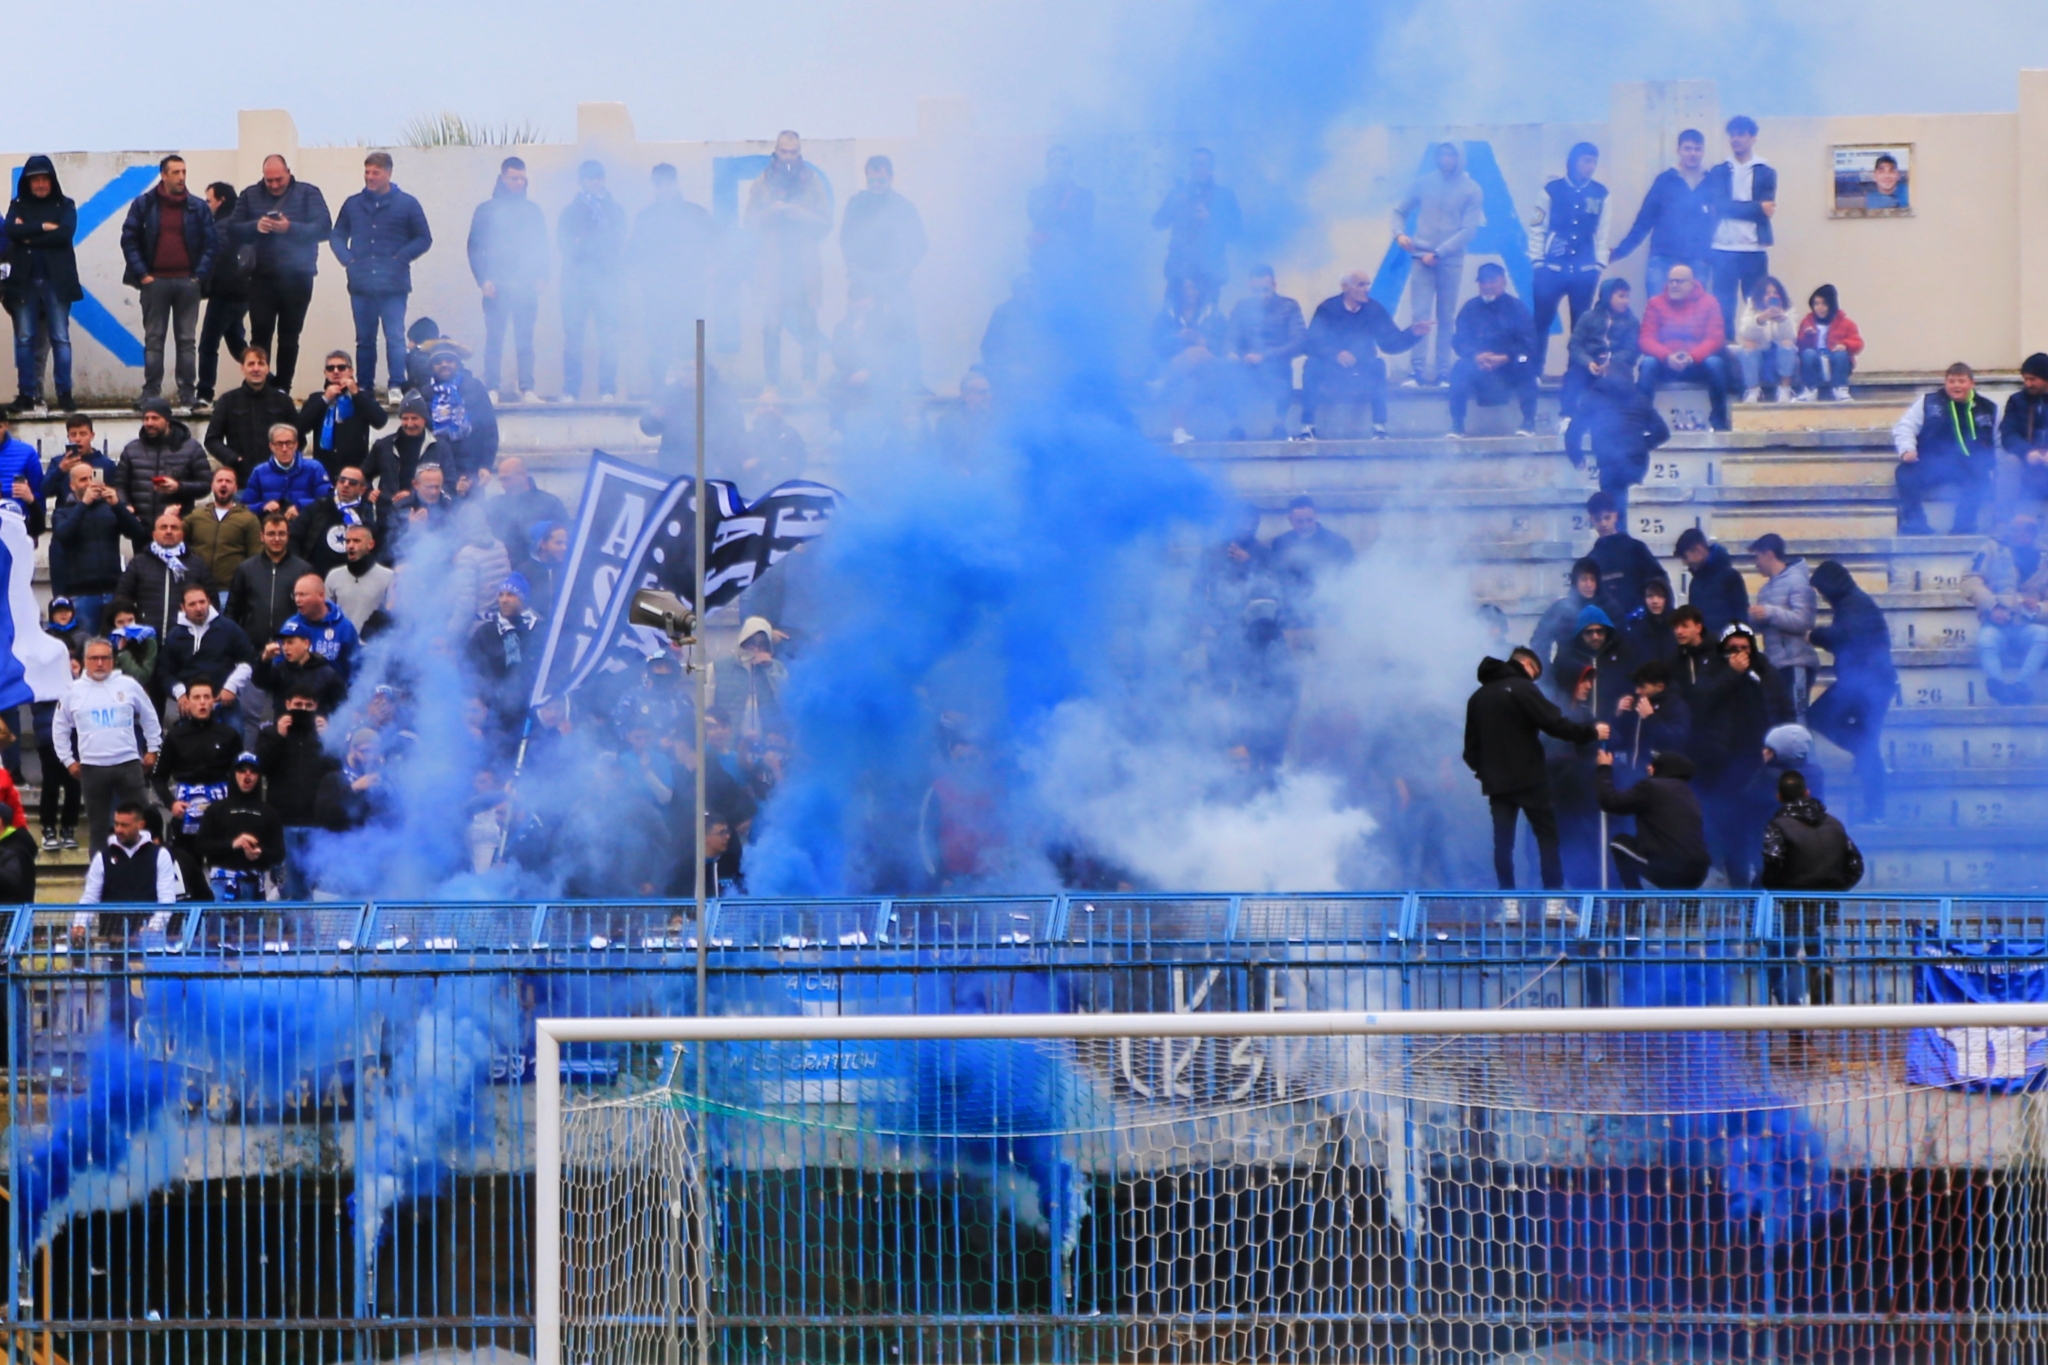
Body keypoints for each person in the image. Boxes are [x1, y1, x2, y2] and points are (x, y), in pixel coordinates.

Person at [1463, 647, 1608, 890]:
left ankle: (1507, 900)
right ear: (1527, 665)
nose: (1534, 678)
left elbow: (1470, 750)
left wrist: (1486, 771)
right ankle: (1553, 898)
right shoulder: (1524, 688)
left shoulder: (1477, 698)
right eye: (1535, 672)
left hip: (1497, 785)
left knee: (1503, 843)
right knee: (1547, 838)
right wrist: (1590, 732)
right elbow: (1555, 724)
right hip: (1531, 779)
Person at [120, 155, 218, 414]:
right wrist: (143, 275)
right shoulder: (144, 205)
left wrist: (198, 276)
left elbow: (211, 244)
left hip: (188, 282)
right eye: (175, 172)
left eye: (184, 171)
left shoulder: (198, 207)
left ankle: (188, 394)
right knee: (154, 339)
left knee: (186, 340)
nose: (181, 177)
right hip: (155, 282)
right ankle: (151, 393)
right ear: (163, 175)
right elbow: (128, 239)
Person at [330, 152, 432, 400]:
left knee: (395, 337)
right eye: (367, 172)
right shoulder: (353, 204)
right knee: (364, 339)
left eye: (375, 172)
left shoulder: (407, 204)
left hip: (394, 285)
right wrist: (349, 260)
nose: (370, 177)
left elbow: (424, 238)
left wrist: (400, 258)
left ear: (388, 173)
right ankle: (364, 385)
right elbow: (337, 236)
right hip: (361, 283)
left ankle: (396, 384)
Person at [229, 155, 332, 393]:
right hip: (260, 277)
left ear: (288, 172)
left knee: (289, 335)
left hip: (298, 276)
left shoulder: (308, 193)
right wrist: (255, 226)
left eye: (279, 179)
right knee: (260, 334)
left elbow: (325, 228)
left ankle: (284, 386)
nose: (274, 185)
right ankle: (259, 386)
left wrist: (290, 228)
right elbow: (233, 230)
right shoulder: (249, 194)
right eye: (269, 180)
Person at [53, 637, 162, 850]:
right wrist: (67, 760)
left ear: (113, 660)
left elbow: (149, 716)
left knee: (145, 819)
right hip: (92, 768)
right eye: (94, 658)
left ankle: (150, 866)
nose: (100, 663)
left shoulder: (129, 685)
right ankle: (101, 877)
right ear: (85, 661)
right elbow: (59, 728)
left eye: (105, 658)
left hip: (128, 763)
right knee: (98, 828)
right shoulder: (72, 691)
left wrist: (153, 749)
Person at [1392, 142, 1484, 387]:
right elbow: (1399, 211)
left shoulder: (1471, 189)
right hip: (1421, 259)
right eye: (1443, 154)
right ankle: (1417, 371)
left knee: (1446, 317)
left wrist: (1441, 252)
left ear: (1460, 157)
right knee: (1420, 314)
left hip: (1450, 260)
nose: (1447, 158)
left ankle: (1444, 372)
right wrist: (1400, 234)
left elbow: (1469, 230)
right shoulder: (1424, 183)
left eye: (1452, 154)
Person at [1298, 270, 1430, 440]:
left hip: (1361, 371)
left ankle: (1379, 427)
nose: (1367, 289)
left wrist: (1413, 333)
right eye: (1361, 285)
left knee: (1378, 365)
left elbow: (1390, 343)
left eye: (1368, 284)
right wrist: (1335, 354)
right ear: (1346, 288)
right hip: (1331, 372)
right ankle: (1307, 427)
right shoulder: (1327, 308)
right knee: (1311, 365)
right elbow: (1311, 343)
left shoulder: (1373, 309)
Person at [746, 132, 832, 391]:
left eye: (793, 152)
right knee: (771, 330)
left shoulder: (811, 181)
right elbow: (748, 223)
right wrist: (769, 213)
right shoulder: (762, 183)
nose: (789, 157)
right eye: (784, 151)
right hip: (773, 269)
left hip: (803, 268)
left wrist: (801, 214)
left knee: (808, 327)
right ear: (776, 152)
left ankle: (809, 380)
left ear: (800, 153)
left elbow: (826, 222)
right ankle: (771, 384)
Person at [629, 163, 718, 397]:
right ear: (654, 186)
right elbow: (634, 254)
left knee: (692, 342)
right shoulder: (645, 217)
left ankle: (698, 393)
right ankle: (661, 394)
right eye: (659, 185)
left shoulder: (696, 214)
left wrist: (711, 268)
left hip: (690, 290)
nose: (664, 189)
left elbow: (718, 246)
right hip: (657, 294)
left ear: (676, 183)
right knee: (659, 344)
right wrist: (641, 278)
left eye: (668, 183)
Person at [468, 155, 550, 403]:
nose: (519, 183)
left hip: (526, 286)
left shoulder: (533, 211)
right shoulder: (486, 210)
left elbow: (543, 246)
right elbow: (474, 247)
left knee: (525, 339)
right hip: (496, 286)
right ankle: (492, 388)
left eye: (522, 178)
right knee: (495, 338)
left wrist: (542, 276)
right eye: (514, 178)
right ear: (503, 178)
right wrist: (483, 279)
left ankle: (527, 389)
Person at [225, 513, 313, 741]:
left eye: (281, 533)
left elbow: (310, 613)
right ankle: (251, 766)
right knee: (250, 716)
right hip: (254, 653)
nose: (276, 538)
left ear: (288, 536)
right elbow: (233, 610)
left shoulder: (302, 570)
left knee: (287, 714)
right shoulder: (246, 569)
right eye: (271, 534)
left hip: (291, 657)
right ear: (261, 536)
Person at [6, 154, 81, 414]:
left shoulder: (66, 205)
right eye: (35, 179)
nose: (40, 184)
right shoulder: (17, 205)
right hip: (24, 282)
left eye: (44, 179)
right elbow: (10, 232)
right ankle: (26, 394)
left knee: (60, 338)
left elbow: (64, 235)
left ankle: (65, 394)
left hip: (56, 282)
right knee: (25, 339)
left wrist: (29, 236)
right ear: (27, 182)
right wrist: (43, 226)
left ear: (52, 181)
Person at [1527, 142, 1610, 375]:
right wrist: (1538, 263)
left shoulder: (1601, 193)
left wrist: (1598, 265)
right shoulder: (1551, 190)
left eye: (1594, 161)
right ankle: (1534, 375)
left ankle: (1575, 377)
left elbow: (1602, 233)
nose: (1591, 166)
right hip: (1551, 270)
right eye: (1586, 160)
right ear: (1574, 161)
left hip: (1584, 273)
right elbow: (1537, 226)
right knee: (1540, 324)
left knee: (1580, 330)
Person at [1892, 362, 1997, 536]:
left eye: (1961, 381)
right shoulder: (1928, 401)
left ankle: (1964, 526)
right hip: (1931, 463)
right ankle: (1916, 523)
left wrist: (1994, 466)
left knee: (1981, 478)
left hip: (1969, 465)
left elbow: (1998, 441)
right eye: (1951, 381)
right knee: (1904, 472)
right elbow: (1905, 426)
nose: (1956, 385)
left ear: (1972, 383)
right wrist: (1907, 450)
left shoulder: (1988, 408)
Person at [1611, 128, 1717, 298]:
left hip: (1698, 259)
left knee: (1696, 315)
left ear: (1703, 151)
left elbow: (1720, 222)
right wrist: (1621, 251)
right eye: (1688, 148)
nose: (1693, 154)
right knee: (1657, 309)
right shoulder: (1665, 180)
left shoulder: (1712, 182)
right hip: (1663, 257)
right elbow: (1644, 220)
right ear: (1678, 151)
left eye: (1697, 149)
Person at [256, 686, 339, 898]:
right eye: (298, 705)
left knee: (316, 884)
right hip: (284, 823)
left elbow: (337, 772)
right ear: (287, 705)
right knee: (289, 885)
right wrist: (278, 736)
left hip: (316, 823)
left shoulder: (325, 736)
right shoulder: (270, 733)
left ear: (316, 706)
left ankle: (312, 930)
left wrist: (329, 740)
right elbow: (260, 768)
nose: (302, 710)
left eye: (307, 705)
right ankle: (291, 929)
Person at [1566, 352, 1669, 520]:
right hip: (1637, 464)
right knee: (1619, 500)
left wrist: (1576, 456)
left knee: (1614, 505)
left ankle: (1620, 539)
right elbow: (1663, 432)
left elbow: (1574, 432)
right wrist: (1642, 445)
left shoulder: (1592, 398)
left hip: (1609, 463)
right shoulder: (1639, 398)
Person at [558, 160, 627, 402]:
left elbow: (619, 243)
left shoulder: (615, 210)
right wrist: (585, 246)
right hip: (575, 285)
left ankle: (608, 388)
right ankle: (570, 390)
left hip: (607, 283)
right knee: (574, 339)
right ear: (581, 181)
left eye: (599, 177)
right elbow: (564, 244)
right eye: (590, 178)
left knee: (608, 338)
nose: (595, 182)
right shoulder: (570, 210)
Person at [52, 465, 147, 636]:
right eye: (83, 480)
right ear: (73, 486)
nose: (89, 483)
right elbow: (63, 535)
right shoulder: (63, 512)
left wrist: (118, 505)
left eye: (92, 478)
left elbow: (138, 533)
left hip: (113, 591)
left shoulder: (110, 509)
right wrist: (83, 504)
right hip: (81, 594)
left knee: (117, 645)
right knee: (86, 646)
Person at [1595, 748, 1710, 890]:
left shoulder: (1652, 787)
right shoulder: (1690, 796)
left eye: (1653, 764)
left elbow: (1611, 802)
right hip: (1698, 874)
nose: (1648, 767)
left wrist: (1604, 768)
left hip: (1669, 871)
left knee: (1619, 843)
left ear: (1664, 768)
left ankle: (1635, 902)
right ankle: (1687, 908)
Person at [1963, 514, 2048, 704]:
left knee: (2043, 636)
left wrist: (2040, 608)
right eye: (2015, 528)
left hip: (2029, 624)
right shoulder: (1991, 549)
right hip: (1996, 622)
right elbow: (1970, 579)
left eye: (2025, 529)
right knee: (1986, 640)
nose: (2018, 533)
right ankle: (1998, 685)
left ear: (2034, 533)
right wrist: (1992, 606)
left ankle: (2021, 685)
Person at [1446, 263, 1538, 437]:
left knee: (1526, 364)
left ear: (1502, 282)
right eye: (1483, 282)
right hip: (1478, 365)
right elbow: (1459, 340)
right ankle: (1457, 424)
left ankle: (1528, 423)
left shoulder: (1516, 308)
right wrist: (1476, 356)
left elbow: (1529, 343)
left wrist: (1505, 357)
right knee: (1459, 369)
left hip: (1509, 365)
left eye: (1491, 281)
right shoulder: (1470, 308)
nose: (1487, 286)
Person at [1637, 264, 1730, 432]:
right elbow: (1646, 339)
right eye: (1671, 281)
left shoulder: (1709, 302)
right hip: (1666, 363)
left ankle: (1719, 421)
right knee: (1648, 364)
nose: (1673, 285)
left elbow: (1715, 338)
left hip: (1697, 363)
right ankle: (1642, 421)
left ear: (1692, 283)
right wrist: (1667, 356)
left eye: (1679, 282)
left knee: (1715, 364)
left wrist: (1692, 356)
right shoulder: (1655, 303)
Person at [1704, 116, 1776, 331]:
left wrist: (1731, 208)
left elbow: (1768, 210)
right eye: (1732, 135)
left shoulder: (1766, 171)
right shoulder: (1719, 171)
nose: (1735, 139)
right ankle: (1726, 352)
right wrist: (1756, 208)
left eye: (1741, 134)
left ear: (1753, 137)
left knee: (1757, 306)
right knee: (1722, 308)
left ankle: (1759, 352)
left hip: (1754, 248)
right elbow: (1719, 206)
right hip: (1723, 248)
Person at [840, 155, 927, 319]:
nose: (877, 186)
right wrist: (853, 267)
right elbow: (845, 239)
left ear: (891, 178)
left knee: (903, 330)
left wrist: (904, 269)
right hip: (863, 283)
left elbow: (920, 244)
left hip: (895, 283)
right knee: (859, 331)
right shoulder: (856, 204)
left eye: (881, 181)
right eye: (872, 181)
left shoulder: (904, 208)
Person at [1225, 265, 1307, 439]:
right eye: (1256, 291)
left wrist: (1265, 356)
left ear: (1275, 285)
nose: (1261, 296)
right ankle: (1235, 426)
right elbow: (1231, 336)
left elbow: (1299, 341)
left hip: (1275, 363)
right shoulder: (1242, 307)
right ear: (1249, 288)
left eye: (1265, 290)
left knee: (1282, 371)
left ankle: (1279, 424)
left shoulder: (1289, 306)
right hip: (1245, 363)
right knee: (1225, 370)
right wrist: (1232, 352)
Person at [157, 676, 242, 841]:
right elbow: (158, 777)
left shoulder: (229, 735)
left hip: (221, 810)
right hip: (186, 810)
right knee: (187, 863)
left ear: (213, 701)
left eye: (206, 697)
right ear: (188, 701)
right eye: (197, 697)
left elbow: (242, 774)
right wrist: (171, 804)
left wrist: (235, 806)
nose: (202, 702)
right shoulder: (175, 736)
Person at [1152, 147, 1242, 303]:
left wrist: (1211, 219)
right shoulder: (1178, 194)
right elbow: (1157, 223)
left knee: (1206, 323)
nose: (1198, 168)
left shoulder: (1224, 196)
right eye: (1194, 164)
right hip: (1178, 272)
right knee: (1172, 319)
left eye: (1203, 164)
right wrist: (1173, 204)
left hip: (1209, 276)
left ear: (1212, 168)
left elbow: (1236, 234)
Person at [203, 346, 300, 487]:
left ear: (267, 368)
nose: (256, 369)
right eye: (251, 364)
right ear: (242, 368)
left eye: (261, 364)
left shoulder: (283, 401)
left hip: (280, 482)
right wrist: (234, 459)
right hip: (243, 482)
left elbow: (298, 438)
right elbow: (212, 440)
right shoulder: (228, 401)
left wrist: (283, 459)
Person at [1747, 533, 1819, 719]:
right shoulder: (1765, 589)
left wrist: (1770, 613)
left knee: (1797, 715)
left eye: (1757, 557)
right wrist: (1755, 619)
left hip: (1796, 663)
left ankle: (1803, 750)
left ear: (1769, 554)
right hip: (1775, 665)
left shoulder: (1797, 581)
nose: (1756, 564)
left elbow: (1804, 621)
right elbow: (1766, 625)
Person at [116, 508, 217, 641]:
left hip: (186, 639)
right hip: (147, 639)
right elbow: (122, 597)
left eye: (174, 528)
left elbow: (212, 601)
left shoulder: (197, 564)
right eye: (163, 527)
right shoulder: (138, 563)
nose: (169, 531)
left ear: (181, 535)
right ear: (154, 534)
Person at [195, 752, 285, 900]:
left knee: (254, 924)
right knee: (219, 924)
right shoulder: (216, 809)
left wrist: (259, 854)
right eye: (242, 770)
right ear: (233, 773)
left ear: (259, 776)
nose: (247, 775)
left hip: (254, 883)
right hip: (222, 885)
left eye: (253, 771)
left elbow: (279, 853)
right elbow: (201, 846)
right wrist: (233, 844)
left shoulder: (269, 813)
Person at [1149, 277, 1228, 444]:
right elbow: (1156, 345)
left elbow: (1226, 344)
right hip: (1182, 370)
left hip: (1210, 368)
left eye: (1193, 288)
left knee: (1197, 351)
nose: (1190, 293)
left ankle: (1162, 382)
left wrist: (1204, 341)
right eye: (1185, 289)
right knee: (1188, 382)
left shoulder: (1214, 315)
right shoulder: (1166, 316)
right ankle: (1179, 430)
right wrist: (1178, 337)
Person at [160, 583, 256, 716]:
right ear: (183, 607)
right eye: (192, 604)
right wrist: (179, 693)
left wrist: (232, 686)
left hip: (225, 703)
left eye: (202, 602)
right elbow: (165, 673)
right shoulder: (174, 636)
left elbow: (248, 660)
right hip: (190, 707)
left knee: (236, 735)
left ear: (209, 602)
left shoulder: (228, 628)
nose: (199, 608)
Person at [1760, 770, 1863, 891]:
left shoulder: (1777, 826)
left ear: (1779, 797)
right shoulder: (1835, 823)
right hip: (1829, 898)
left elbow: (1773, 859)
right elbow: (1855, 863)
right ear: (1807, 792)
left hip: (1792, 898)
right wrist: (1839, 888)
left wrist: (1774, 887)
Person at [118, 397, 212, 527]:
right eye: (146, 418)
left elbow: (206, 485)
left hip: (176, 527)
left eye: (155, 418)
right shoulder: (131, 450)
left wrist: (179, 487)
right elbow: (119, 484)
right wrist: (125, 506)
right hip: (141, 527)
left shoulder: (191, 448)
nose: (149, 423)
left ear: (167, 420)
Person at [196, 181, 248, 411]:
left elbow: (216, 257)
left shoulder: (221, 226)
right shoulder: (241, 221)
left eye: (209, 200)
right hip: (241, 293)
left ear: (221, 200)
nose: (207, 205)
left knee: (208, 343)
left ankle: (204, 392)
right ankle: (272, 381)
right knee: (237, 345)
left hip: (225, 293)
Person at [296, 351, 387, 480]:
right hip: (324, 473)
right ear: (325, 373)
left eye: (341, 367)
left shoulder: (362, 398)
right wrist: (325, 399)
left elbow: (380, 421)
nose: (336, 371)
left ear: (351, 371)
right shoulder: (316, 398)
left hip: (355, 472)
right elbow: (300, 427)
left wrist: (356, 393)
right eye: (330, 368)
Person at [1562, 279, 1639, 430]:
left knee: (1619, 379)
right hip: (1590, 365)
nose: (1625, 301)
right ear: (1607, 296)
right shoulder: (1588, 317)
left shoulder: (1632, 322)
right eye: (1621, 296)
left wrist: (1612, 363)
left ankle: (1621, 421)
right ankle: (1568, 417)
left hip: (1617, 367)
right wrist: (1588, 362)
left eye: (1627, 297)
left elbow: (1632, 350)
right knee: (1573, 375)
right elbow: (1575, 345)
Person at [466, 574, 542, 728]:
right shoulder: (485, 633)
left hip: (528, 711)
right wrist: (477, 698)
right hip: (493, 713)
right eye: (501, 595)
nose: (504, 600)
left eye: (511, 595)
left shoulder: (537, 632)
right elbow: (469, 668)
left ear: (523, 599)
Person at [1265, 496, 1354, 613]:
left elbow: (1349, 577)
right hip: (1290, 608)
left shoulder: (1339, 544)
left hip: (1327, 607)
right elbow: (1275, 576)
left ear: (1316, 516)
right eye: (1299, 521)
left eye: (1309, 520)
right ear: (1290, 519)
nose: (1305, 526)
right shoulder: (1280, 543)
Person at [77, 803, 178, 906]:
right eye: (116, 824)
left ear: (140, 825)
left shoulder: (160, 855)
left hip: (148, 921)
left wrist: (154, 923)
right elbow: (90, 897)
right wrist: (80, 921)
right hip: (112, 922)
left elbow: (167, 898)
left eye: (125, 825)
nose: (119, 830)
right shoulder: (102, 857)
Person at [291, 465, 381, 577]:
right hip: (316, 576)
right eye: (342, 480)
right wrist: (301, 569)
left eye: (352, 483)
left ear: (362, 490)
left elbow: (376, 546)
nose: (346, 485)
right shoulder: (318, 507)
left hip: (355, 578)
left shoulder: (367, 513)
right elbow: (293, 537)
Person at [1583, 491, 1664, 614]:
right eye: (1598, 519)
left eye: (1607, 517)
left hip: (1639, 624)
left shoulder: (1636, 548)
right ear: (1591, 520)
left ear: (1615, 516)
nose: (1603, 523)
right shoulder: (1591, 560)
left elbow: (1660, 581)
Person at [1532, 557, 1617, 670]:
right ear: (1575, 582)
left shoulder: (1610, 608)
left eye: (1593, 579)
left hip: (1604, 674)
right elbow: (1540, 641)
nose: (1589, 584)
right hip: (1567, 674)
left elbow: (1622, 644)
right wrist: (1546, 673)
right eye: (1584, 579)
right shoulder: (1561, 609)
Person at [185, 467, 262, 588]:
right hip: (199, 589)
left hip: (230, 590)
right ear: (212, 485)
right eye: (220, 480)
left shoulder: (248, 519)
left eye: (228, 481)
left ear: (236, 488)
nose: (223, 484)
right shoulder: (196, 516)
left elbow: (256, 557)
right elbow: (174, 537)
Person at [254, 621, 347, 719]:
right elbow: (259, 682)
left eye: (290, 642)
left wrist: (328, 725)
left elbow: (343, 707)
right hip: (285, 731)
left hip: (316, 731)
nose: (285, 648)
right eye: (283, 643)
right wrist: (264, 661)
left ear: (306, 644)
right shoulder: (280, 671)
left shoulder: (327, 674)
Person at [1026, 144, 1093, 279]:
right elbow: (1039, 219)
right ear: (1048, 167)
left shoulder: (1084, 195)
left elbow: (1084, 224)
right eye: (1055, 164)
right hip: (1044, 258)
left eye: (1064, 164)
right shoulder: (1036, 194)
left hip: (1075, 258)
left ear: (1070, 167)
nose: (1060, 168)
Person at [283, 573, 360, 685]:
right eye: (295, 595)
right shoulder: (290, 627)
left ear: (321, 596)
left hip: (334, 697)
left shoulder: (344, 628)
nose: (297, 600)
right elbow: (279, 666)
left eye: (303, 595)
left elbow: (356, 668)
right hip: (298, 697)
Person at [1674, 527, 1750, 639]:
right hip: (1704, 650)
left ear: (1698, 549)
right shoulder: (1695, 583)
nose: (1685, 562)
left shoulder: (1731, 577)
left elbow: (1741, 616)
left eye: (1686, 557)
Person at [364, 395, 445, 501]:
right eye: (405, 418)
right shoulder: (384, 445)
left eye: (414, 418)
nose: (409, 424)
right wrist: (368, 492)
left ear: (424, 419)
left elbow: (450, 485)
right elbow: (361, 476)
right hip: (388, 512)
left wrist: (413, 497)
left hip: (426, 513)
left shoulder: (439, 447)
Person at [243, 424, 332, 518]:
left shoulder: (314, 468)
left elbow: (327, 500)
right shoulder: (259, 472)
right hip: (271, 527)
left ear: (296, 445)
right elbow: (245, 508)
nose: (284, 449)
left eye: (289, 443)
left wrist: (300, 506)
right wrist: (263, 507)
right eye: (279, 444)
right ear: (271, 446)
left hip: (306, 525)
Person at [484, 455, 567, 556]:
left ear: (523, 475)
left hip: (539, 568)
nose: (503, 484)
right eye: (501, 480)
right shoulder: (495, 504)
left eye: (507, 479)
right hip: (504, 566)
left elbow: (564, 536)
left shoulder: (550, 503)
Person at [1793, 284, 1862, 403]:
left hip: (1835, 361)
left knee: (1841, 354)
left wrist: (1845, 344)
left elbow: (1858, 343)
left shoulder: (1845, 323)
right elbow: (1799, 346)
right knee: (1808, 354)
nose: (1820, 307)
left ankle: (1840, 389)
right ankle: (1810, 389)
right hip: (1816, 361)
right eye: (1816, 304)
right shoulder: (1807, 322)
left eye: (1824, 304)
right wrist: (1808, 337)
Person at [1734, 274, 1797, 404]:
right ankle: (1753, 391)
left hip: (1780, 357)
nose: (1771, 296)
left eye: (1775, 293)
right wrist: (1760, 320)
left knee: (1787, 343)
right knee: (1749, 345)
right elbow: (1744, 332)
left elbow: (1792, 335)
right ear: (1760, 295)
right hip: (1760, 355)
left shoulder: (1788, 309)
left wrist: (1782, 320)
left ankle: (1785, 389)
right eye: (1767, 293)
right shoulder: (1752, 307)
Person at [2000, 352, 2048, 514]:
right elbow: (2008, 434)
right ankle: (2003, 522)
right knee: (2009, 462)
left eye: (2032, 379)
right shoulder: (2016, 401)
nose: (2027, 384)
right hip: (2026, 461)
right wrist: (2027, 452)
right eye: (2025, 379)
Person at [327, 523, 395, 637]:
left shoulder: (388, 577)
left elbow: (392, 615)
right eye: (347, 541)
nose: (350, 546)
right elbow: (325, 615)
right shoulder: (333, 576)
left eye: (356, 541)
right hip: (341, 644)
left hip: (372, 646)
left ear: (370, 544)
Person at [1622, 577, 1678, 665]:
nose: (1655, 601)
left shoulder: (1679, 628)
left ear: (1668, 598)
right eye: (1650, 595)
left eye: (1660, 595)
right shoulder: (1637, 632)